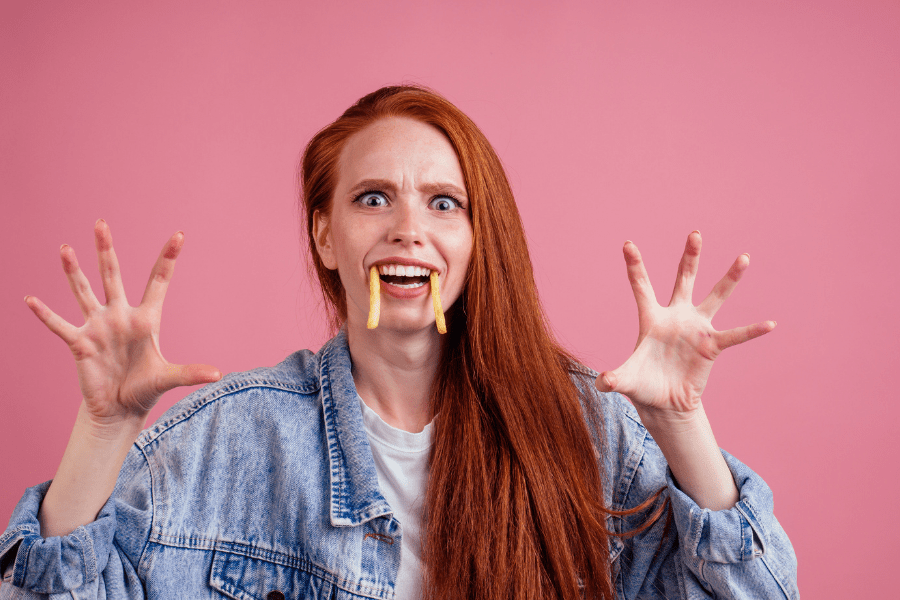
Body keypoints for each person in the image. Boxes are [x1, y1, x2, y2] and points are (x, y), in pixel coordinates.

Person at [0, 86, 798, 599]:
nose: (409, 229)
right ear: (325, 234)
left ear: (480, 239)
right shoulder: (222, 444)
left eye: (444, 203)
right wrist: (102, 431)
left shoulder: (593, 431)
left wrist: (683, 425)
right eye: (373, 198)